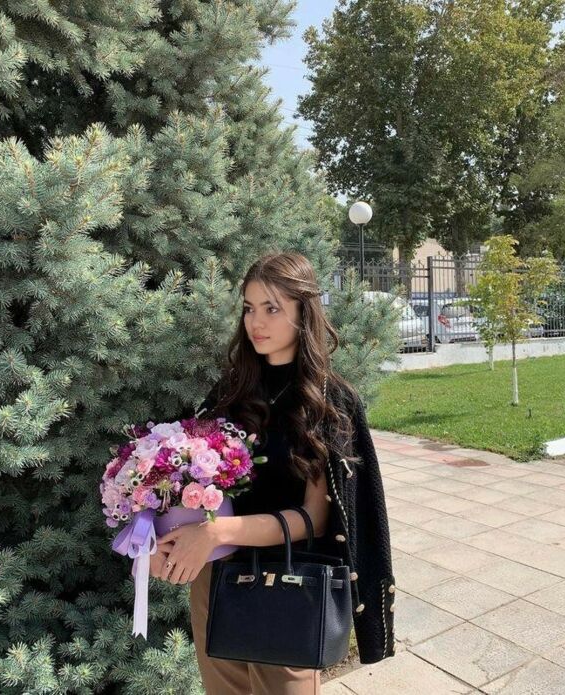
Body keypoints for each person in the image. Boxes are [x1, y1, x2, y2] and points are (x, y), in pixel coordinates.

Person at [150, 252, 396, 694]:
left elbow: (315, 518)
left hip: (289, 585)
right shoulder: (228, 393)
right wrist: (152, 538)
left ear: (304, 313)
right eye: (249, 308)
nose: (256, 322)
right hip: (215, 580)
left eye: (272, 308)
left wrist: (217, 532)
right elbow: (181, 478)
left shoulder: (327, 401)